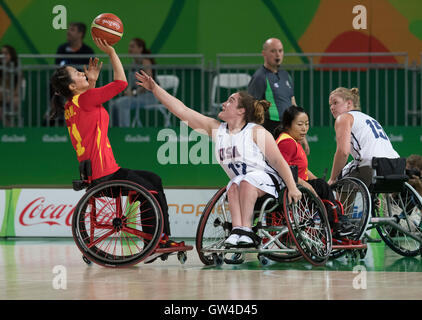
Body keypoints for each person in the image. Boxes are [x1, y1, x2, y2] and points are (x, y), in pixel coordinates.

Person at [135, 70, 302, 248]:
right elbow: (182, 111)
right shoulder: (218, 130)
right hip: (242, 184)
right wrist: (155, 89)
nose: (224, 103)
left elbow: (278, 161)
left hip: (269, 182)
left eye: (231, 101)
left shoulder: (256, 131)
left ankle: (247, 230)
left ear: (241, 110)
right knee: (233, 185)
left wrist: (292, 187)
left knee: (245, 181)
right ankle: (238, 230)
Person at [50, 37, 178, 248]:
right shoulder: (84, 100)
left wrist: (91, 82)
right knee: (151, 189)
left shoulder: (71, 106)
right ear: (73, 85)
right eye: (78, 74)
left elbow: (89, 107)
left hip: (97, 174)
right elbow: (121, 83)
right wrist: (111, 53)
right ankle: (157, 239)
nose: (83, 73)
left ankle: (158, 236)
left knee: (153, 179)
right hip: (107, 175)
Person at [274, 105, 354, 237]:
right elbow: (282, 169)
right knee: (321, 186)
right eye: (300, 124)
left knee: (321, 184)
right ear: (288, 124)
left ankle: (334, 222)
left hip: (298, 184)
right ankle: (337, 223)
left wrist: (316, 181)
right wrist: (305, 184)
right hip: (290, 188)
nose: (304, 128)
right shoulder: (286, 142)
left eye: (307, 124)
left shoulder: (294, 141)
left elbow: (303, 170)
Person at [327, 87, 400, 187]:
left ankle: (343, 203)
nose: (332, 107)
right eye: (330, 104)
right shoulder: (368, 118)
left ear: (349, 103)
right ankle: (371, 200)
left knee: (339, 179)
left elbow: (343, 152)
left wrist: (332, 178)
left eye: (335, 103)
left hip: (371, 165)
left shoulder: (344, 118)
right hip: (395, 164)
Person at [248, 37, 309, 155]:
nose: (277, 55)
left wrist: (301, 134)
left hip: (289, 128)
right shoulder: (259, 77)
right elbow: (252, 108)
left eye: (280, 51)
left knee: (294, 165)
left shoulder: (286, 75)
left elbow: (293, 103)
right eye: (273, 51)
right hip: (271, 129)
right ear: (264, 54)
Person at [111, 38, 159, 127]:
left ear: (140, 48)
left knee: (122, 104)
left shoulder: (146, 62)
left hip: (150, 96)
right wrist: (128, 91)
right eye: (129, 46)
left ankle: (124, 131)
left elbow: (148, 85)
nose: (130, 49)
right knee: (114, 104)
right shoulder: (133, 63)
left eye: (132, 46)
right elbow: (131, 84)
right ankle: (115, 131)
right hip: (138, 96)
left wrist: (134, 93)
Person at [0, 44, 21, 127]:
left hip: (12, 97)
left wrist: (9, 95)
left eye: (6, 53)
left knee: (15, 101)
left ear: (11, 55)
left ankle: (10, 131)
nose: (3, 56)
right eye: (1, 53)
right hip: (2, 99)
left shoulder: (17, 71)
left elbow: (17, 91)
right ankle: (11, 130)